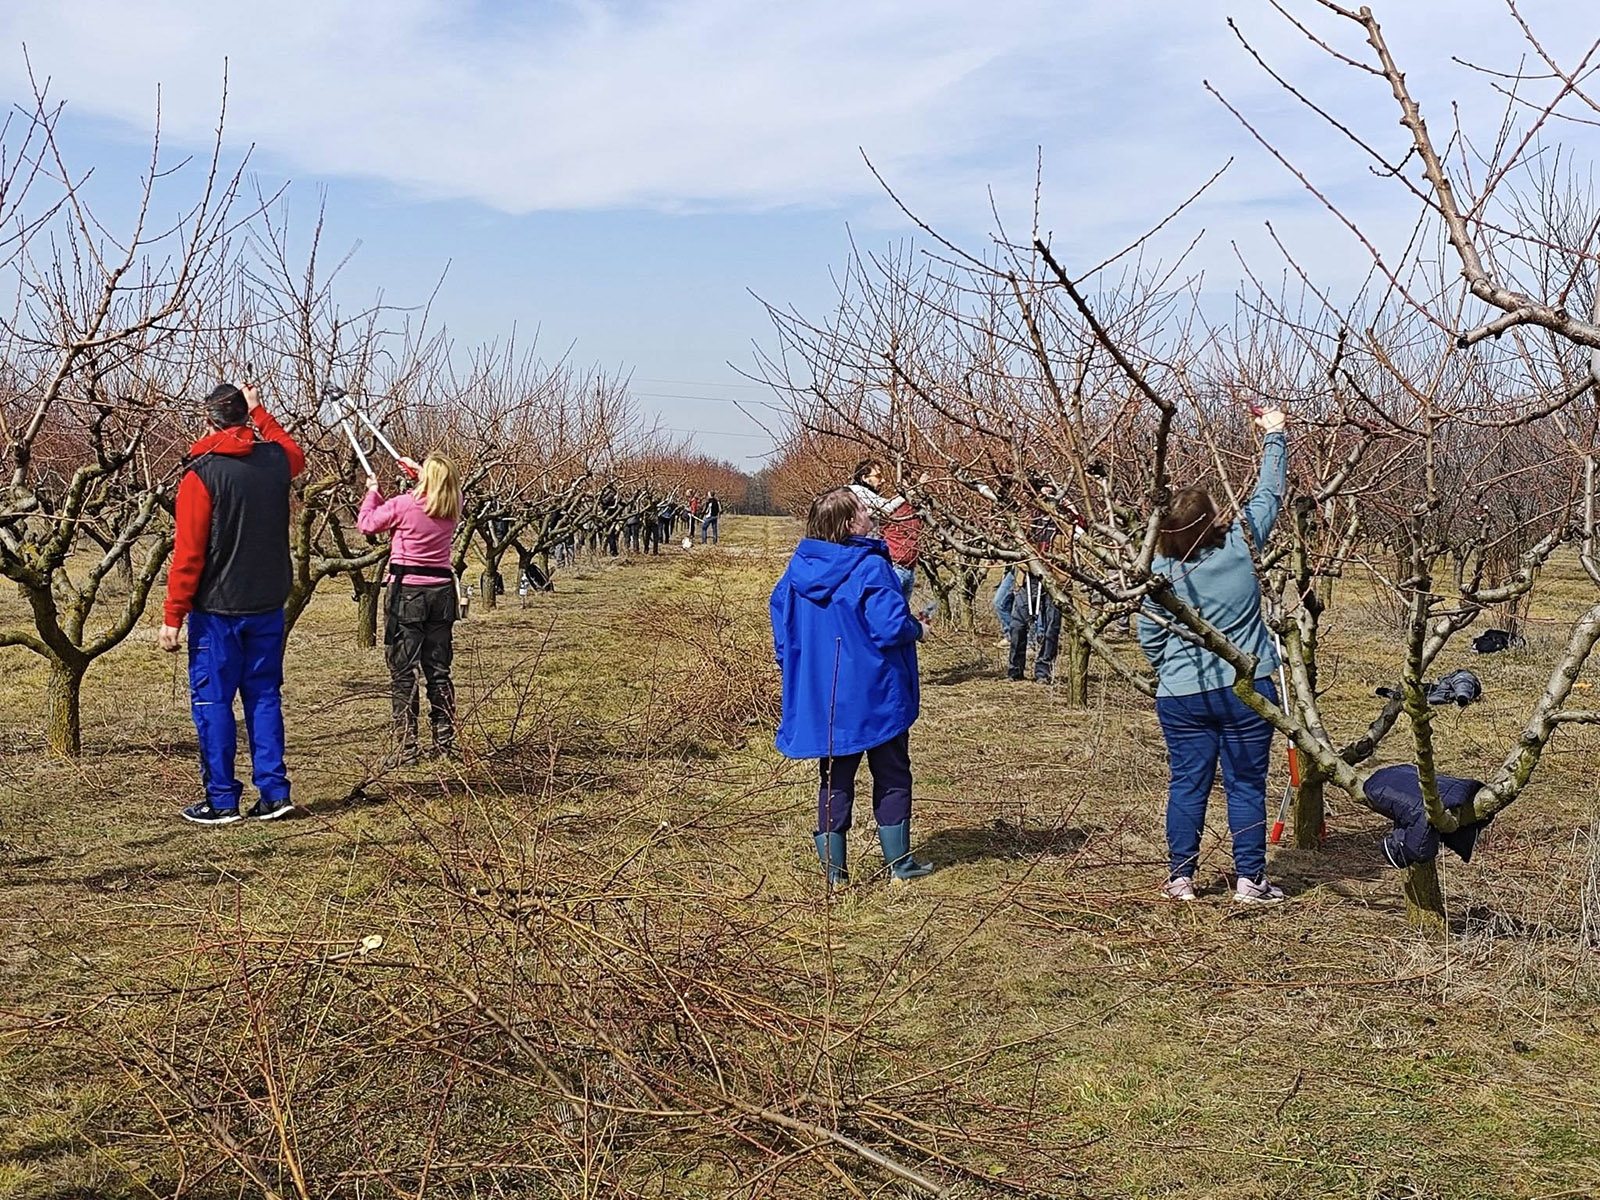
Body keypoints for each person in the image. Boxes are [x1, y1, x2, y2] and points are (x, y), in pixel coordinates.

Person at [1137, 408, 1288, 904]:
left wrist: (1171, 671)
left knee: (1187, 783)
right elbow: (1269, 494)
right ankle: (1250, 879)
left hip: (1182, 695)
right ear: (1210, 520)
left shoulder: (1158, 571)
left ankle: (1180, 878)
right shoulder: (1241, 545)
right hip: (1247, 688)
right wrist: (1274, 435)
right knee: (1246, 784)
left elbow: (1148, 633)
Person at [770, 487, 933, 888]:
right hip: (875, 690)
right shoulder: (870, 566)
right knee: (892, 771)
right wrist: (917, 629)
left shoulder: (796, 571)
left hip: (826, 695)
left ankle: (835, 874)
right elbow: (889, 626)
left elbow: (782, 632)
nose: (869, 512)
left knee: (834, 778)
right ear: (849, 523)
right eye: (862, 509)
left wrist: (802, 671)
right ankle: (900, 866)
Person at [159, 381, 305, 824]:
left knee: (213, 701)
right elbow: (293, 451)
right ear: (245, 417)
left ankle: (221, 799)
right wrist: (261, 412)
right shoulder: (275, 461)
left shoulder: (201, 474)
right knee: (263, 696)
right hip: (267, 603)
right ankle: (274, 794)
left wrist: (173, 615)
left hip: (217, 610)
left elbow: (189, 553)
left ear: (207, 421)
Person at [358, 454, 463, 764]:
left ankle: (407, 748)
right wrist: (422, 472)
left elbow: (367, 524)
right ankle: (445, 743)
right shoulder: (454, 503)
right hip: (441, 593)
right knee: (439, 671)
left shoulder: (405, 505)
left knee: (403, 671)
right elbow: (442, 486)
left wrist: (372, 492)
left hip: (407, 593)